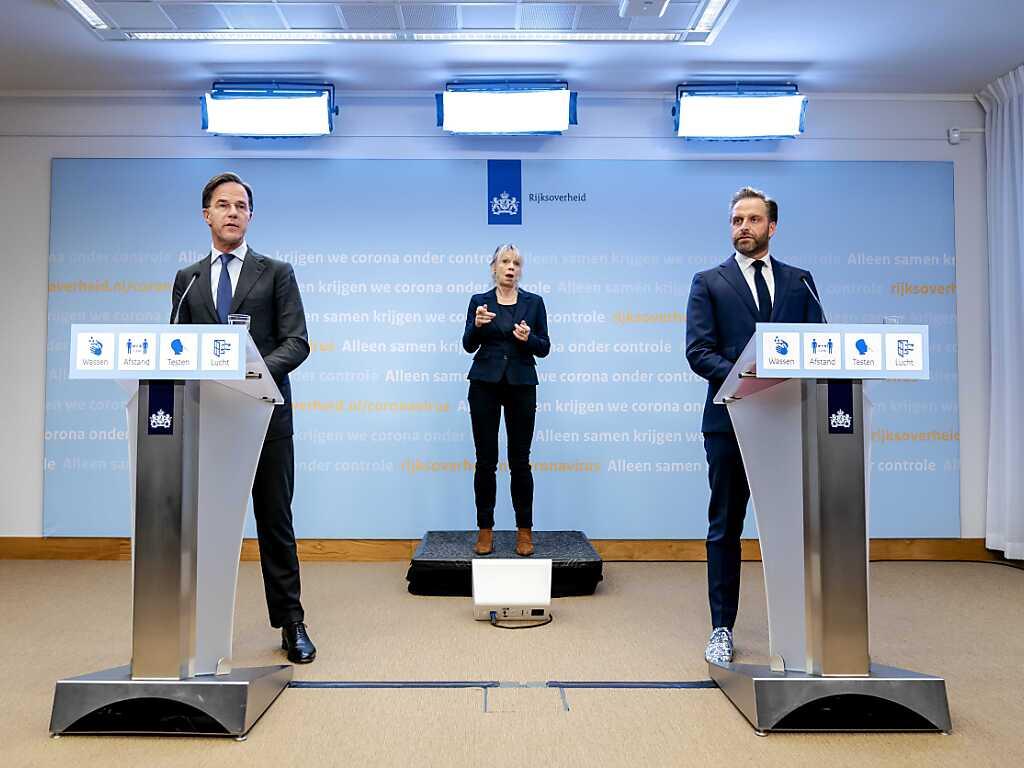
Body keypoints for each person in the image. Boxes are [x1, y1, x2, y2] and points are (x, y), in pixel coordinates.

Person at [170, 172, 316, 664]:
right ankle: (198, 627)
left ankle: (291, 622)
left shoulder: (275, 272)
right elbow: (177, 346)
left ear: (250, 216)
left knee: (275, 523)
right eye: (223, 205)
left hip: (265, 420)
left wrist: (248, 375)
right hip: (210, 421)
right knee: (206, 527)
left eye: (241, 206)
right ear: (206, 214)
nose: (233, 212)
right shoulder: (188, 279)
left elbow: (297, 342)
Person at [685, 187, 824, 664]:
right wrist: (749, 378)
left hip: (787, 421)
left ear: (772, 226)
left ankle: (800, 627)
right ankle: (721, 627)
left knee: (792, 527)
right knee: (725, 526)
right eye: (736, 220)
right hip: (729, 422)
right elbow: (698, 351)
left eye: (753, 219)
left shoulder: (800, 282)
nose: (743, 227)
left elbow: (818, 346)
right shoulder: (709, 282)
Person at [462, 244, 551, 557]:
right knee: (485, 461)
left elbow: (544, 347)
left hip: (521, 384)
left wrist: (529, 339)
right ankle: (485, 530)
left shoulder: (534, 302)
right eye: (505, 261)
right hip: (484, 385)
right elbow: (468, 345)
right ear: (494, 267)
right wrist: (477, 326)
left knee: (520, 461)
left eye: (516, 263)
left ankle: (524, 531)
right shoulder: (479, 302)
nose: (511, 267)